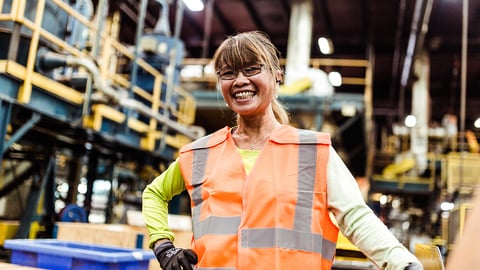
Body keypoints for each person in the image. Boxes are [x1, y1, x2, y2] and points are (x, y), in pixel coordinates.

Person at [142, 30, 423, 270]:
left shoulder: (313, 152)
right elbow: (154, 193)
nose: (240, 80)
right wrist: (163, 246)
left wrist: (401, 262)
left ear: (277, 76)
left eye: (252, 69)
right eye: (228, 73)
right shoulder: (201, 153)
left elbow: (355, 216)